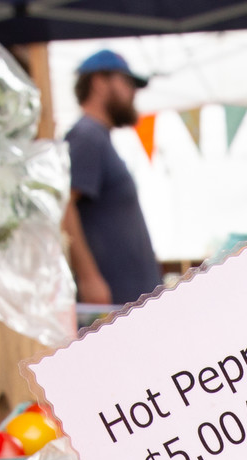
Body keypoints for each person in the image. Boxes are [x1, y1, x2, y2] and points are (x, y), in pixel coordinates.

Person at [63, 49, 161, 308]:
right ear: (99, 83)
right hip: (112, 303)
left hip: (128, 299)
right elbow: (63, 205)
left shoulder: (98, 137)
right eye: (126, 82)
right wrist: (89, 277)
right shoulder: (86, 136)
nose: (133, 93)